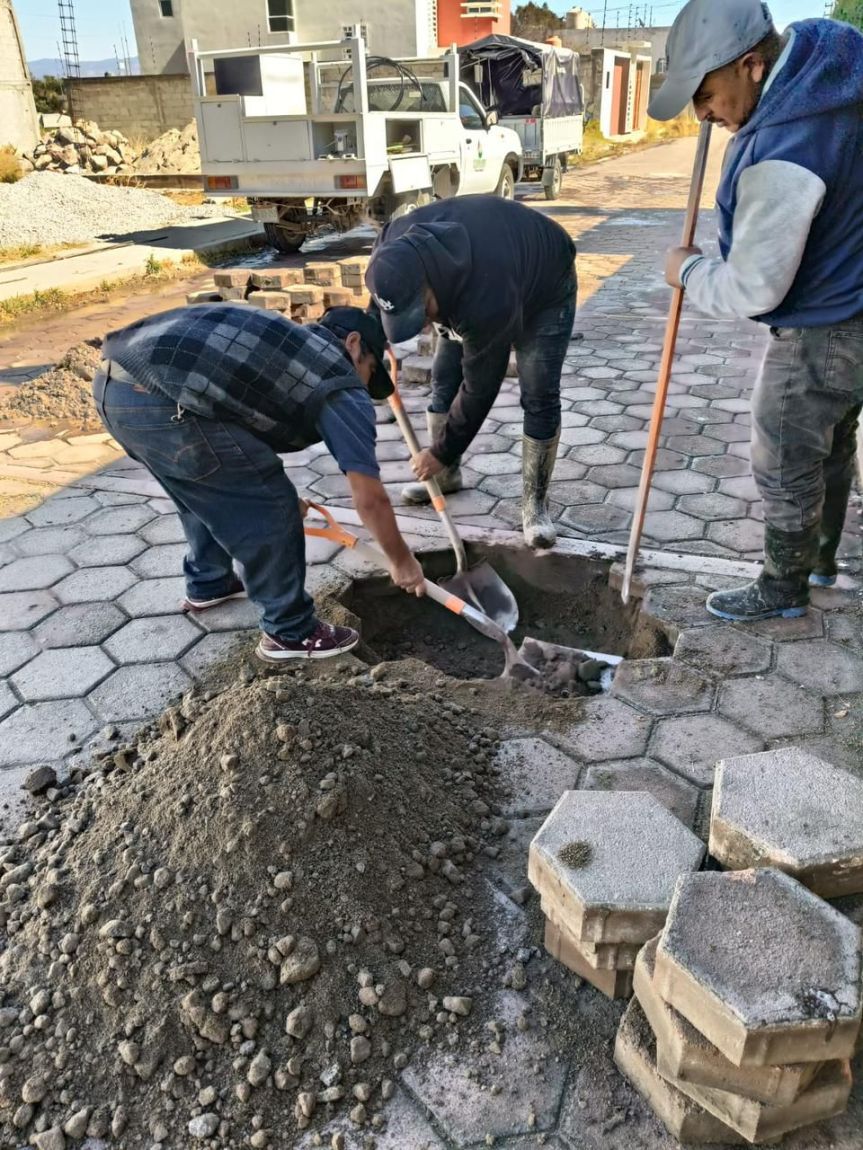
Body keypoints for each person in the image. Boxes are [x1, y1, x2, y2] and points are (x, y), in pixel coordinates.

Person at [651, 0, 863, 622]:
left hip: (830, 323)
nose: (704, 116)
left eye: (708, 96)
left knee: (785, 445)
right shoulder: (832, 59)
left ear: (750, 64)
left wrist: (686, 271)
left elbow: (754, 290)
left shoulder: (785, 150)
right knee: (831, 438)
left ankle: (783, 588)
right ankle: (821, 558)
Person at [94, 304, 425, 663]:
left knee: (202, 485)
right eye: (370, 370)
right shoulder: (338, 376)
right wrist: (402, 561)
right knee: (270, 505)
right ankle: (290, 631)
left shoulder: (293, 346)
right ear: (354, 344)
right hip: (158, 397)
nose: (363, 385)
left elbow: (238, 417)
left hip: (114, 388)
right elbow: (370, 499)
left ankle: (209, 581)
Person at [365, 195, 577, 549]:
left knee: (538, 393)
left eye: (422, 313)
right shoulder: (391, 251)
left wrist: (439, 451)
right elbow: (377, 303)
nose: (424, 324)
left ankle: (535, 506)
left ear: (430, 285)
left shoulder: (486, 296)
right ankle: (447, 477)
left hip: (545, 286)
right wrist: (370, 341)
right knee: (442, 382)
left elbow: (481, 386)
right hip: (473, 279)